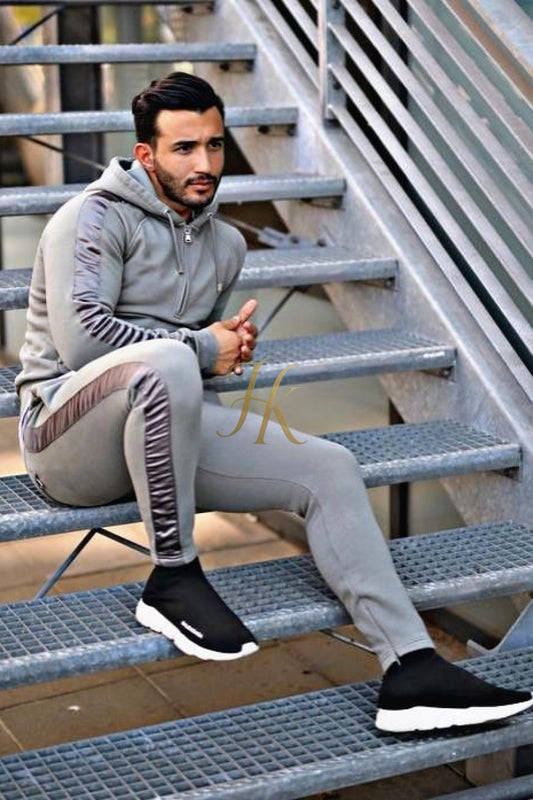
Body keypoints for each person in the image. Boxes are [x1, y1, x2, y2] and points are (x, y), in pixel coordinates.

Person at [15, 71, 532, 733]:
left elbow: (190, 362)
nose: (204, 164)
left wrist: (226, 348)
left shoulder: (225, 245)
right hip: (66, 439)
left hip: (155, 431)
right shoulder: (90, 219)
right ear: (145, 154)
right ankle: (172, 577)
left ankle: (410, 670)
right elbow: (85, 339)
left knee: (327, 467)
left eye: (214, 145)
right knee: (167, 361)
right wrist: (201, 346)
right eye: (183, 148)